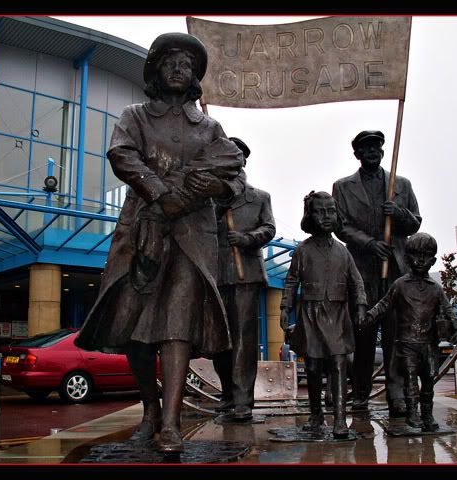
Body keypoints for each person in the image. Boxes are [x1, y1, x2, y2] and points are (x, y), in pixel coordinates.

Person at [74, 32, 245, 454]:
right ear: (155, 69)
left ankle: (170, 422)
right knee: (137, 325)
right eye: (170, 60)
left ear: (195, 78)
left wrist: (207, 191)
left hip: (192, 237)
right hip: (142, 229)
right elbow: (121, 154)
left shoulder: (210, 127)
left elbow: (234, 181)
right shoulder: (135, 115)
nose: (179, 67)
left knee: (177, 322)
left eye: (187, 63)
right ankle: (149, 407)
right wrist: (159, 190)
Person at [332, 130, 421, 417]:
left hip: (396, 270)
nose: (372, 151)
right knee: (363, 335)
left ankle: (397, 395)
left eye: (376, 147)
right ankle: (360, 395)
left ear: (383, 151)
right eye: (365, 147)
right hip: (361, 271)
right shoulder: (343, 187)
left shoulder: (401, 185)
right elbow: (340, 225)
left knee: (395, 336)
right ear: (357, 153)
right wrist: (369, 244)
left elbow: (415, 223)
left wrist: (399, 214)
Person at [280, 191, 367, 438]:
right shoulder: (303, 251)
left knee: (339, 364)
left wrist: (360, 305)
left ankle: (340, 419)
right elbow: (290, 281)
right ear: (310, 215)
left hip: (338, 314)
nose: (326, 216)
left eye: (331, 211)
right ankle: (316, 414)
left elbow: (356, 281)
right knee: (315, 368)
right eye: (320, 211)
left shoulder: (343, 251)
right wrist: (285, 308)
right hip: (311, 314)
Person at [365, 232, 457, 431]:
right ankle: (412, 413)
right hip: (407, 343)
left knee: (428, 382)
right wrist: (369, 316)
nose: (420, 260)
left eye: (426, 255)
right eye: (416, 255)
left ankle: (427, 414)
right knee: (410, 381)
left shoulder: (435, 288)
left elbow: (448, 310)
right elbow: (384, 304)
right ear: (407, 258)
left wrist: (455, 326)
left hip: (428, 344)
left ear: (433, 260)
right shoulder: (400, 285)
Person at [212, 137, 276, 420]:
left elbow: (269, 228)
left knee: (243, 341)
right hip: (216, 274)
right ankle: (227, 393)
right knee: (219, 340)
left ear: (243, 162)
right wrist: (216, 208)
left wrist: (247, 238)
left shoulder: (259, 197)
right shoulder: (211, 199)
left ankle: (242, 400)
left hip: (246, 274)